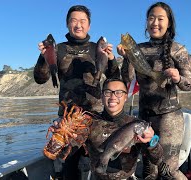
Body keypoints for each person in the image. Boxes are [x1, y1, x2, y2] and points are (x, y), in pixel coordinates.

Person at [34, 5, 120, 179]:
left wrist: (111, 59)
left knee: (99, 161)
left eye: (83, 21)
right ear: (67, 24)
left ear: (89, 25)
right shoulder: (58, 49)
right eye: (74, 21)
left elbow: (114, 79)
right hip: (68, 119)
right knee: (69, 165)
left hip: (95, 115)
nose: (78, 25)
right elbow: (40, 78)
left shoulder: (98, 48)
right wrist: (43, 59)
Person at [117, 2, 191, 179]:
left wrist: (178, 78)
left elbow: (189, 84)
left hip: (170, 118)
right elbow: (127, 80)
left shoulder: (178, 49)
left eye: (160, 18)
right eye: (151, 18)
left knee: (168, 171)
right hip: (144, 117)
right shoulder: (139, 49)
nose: (155, 23)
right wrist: (127, 59)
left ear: (169, 23)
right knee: (149, 172)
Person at [59, 78, 164, 180]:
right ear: (102, 96)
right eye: (108, 92)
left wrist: (152, 142)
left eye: (119, 93)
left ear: (125, 97)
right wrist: (62, 137)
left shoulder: (136, 124)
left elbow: (157, 160)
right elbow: (66, 153)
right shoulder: (89, 122)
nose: (113, 97)